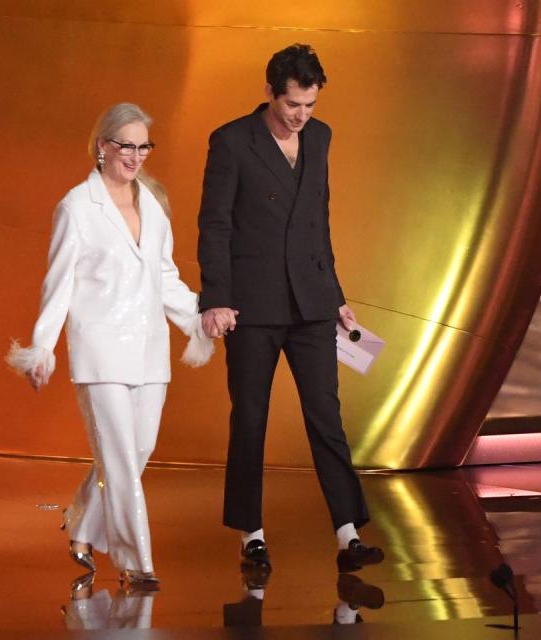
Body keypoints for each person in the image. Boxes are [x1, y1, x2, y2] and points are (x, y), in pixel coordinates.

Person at [7, 102, 212, 589]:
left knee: (135, 452)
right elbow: (57, 285)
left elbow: (165, 277)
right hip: (100, 350)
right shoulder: (78, 207)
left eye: (144, 146)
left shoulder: (153, 204)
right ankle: (137, 562)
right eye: (127, 145)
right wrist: (42, 348)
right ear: (103, 146)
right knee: (119, 459)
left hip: (149, 350)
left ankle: (82, 520)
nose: (136, 155)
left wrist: (198, 320)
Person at [197, 44, 383, 572]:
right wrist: (216, 298)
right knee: (251, 419)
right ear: (270, 93)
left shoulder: (320, 139)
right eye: (293, 105)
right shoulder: (232, 142)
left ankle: (348, 533)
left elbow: (316, 224)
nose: (301, 116)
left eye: (310, 105)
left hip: (313, 303)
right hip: (251, 307)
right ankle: (250, 533)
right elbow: (215, 225)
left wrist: (338, 295)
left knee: (327, 417)